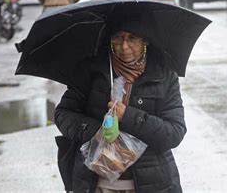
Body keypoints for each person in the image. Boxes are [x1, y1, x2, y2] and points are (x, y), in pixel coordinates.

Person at [54, 16, 186, 193]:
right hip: (95, 184)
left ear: (145, 40)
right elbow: (63, 114)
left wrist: (129, 116)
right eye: (118, 38)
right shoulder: (91, 70)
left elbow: (174, 133)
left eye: (132, 38)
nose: (124, 46)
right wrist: (96, 132)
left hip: (152, 184)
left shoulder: (163, 75)